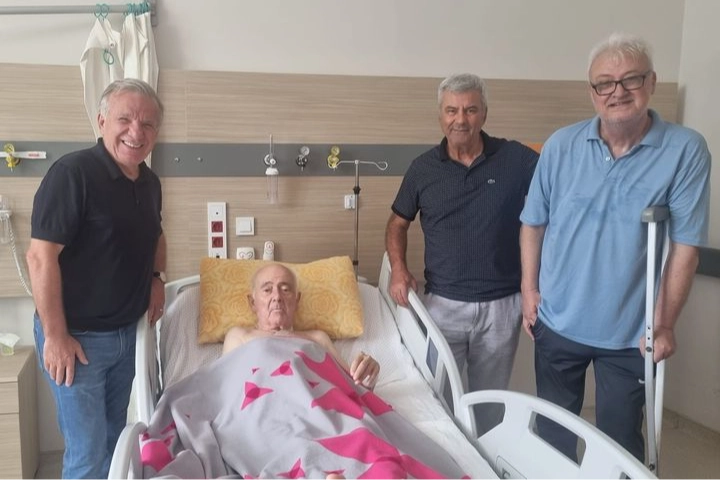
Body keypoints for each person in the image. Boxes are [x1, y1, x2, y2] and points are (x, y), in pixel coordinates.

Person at [519, 32, 710, 462]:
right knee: (552, 433)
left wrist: (663, 324)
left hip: (631, 334)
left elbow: (685, 246)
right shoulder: (561, 145)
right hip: (558, 319)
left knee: (620, 443)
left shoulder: (685, 150)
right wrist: (529, 290)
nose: (617, 91)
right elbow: (533, 223)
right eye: (605, 82)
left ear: (652, 82)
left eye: (631, 79)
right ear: (592, 92)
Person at [26, 78, 166, 479]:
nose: (136, 131)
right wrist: (55, 337)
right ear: (102, 121)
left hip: (126, 337)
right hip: (77, 341)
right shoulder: (73, 174)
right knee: (87, 454)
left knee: (114, 443)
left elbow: (156, 234)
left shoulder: (150, 183)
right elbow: (40, 257)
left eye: (148, 124)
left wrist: (156, 278)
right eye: (125, 119)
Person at [385, 73, 539, 433]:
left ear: (484, 113)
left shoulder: (515, 159)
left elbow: (557, 185)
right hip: (443, 305)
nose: (461, 119)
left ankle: (483, 459)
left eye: (470, 110)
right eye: (452, 110)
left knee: (489, 404)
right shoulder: (423, 169)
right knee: (437, 401)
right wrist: (398, 268)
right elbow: (396, 224)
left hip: (501, 306)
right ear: (440, 115)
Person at [223, 263, 380, 390]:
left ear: (297, 300)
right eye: (267, 290)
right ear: (252, 302)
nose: (277, 296)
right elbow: (224, 387)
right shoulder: (239, 336)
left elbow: (352, 386)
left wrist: (367, 376)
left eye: (285, 290)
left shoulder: (317, 338)